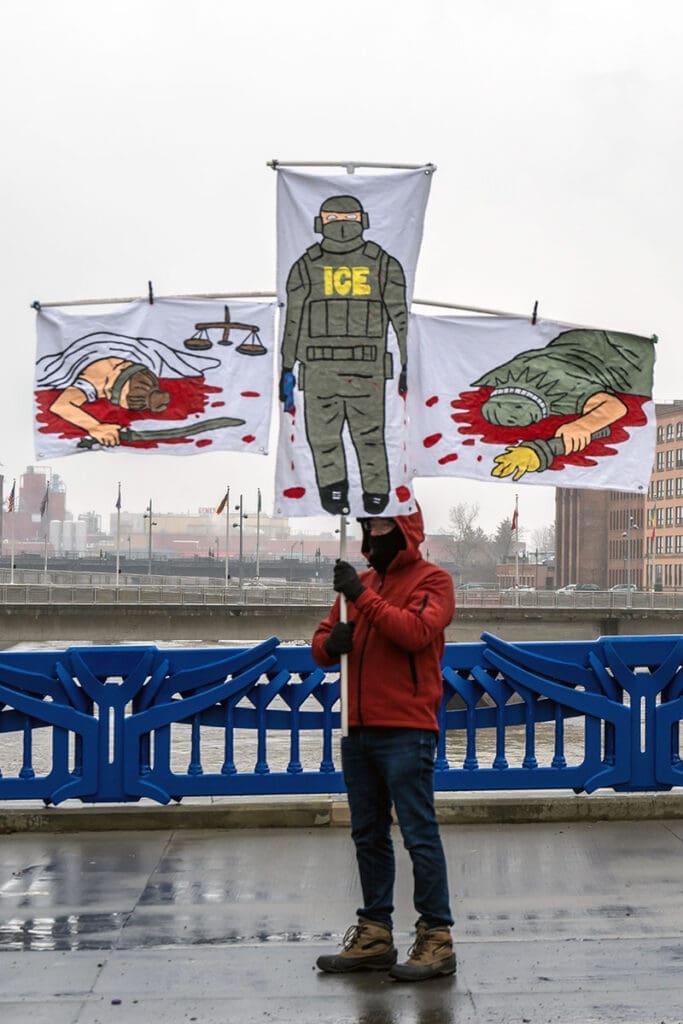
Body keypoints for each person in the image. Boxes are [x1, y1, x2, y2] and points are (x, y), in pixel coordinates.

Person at [311, 505, 456, 982]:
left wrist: (361, 597)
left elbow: (414, 633)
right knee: (368, 834)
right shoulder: (362, 584)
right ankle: (375, 934)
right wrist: (334, 644)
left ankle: (436, 937)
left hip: (407, 728)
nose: (371, 534)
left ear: (405, 530)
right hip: (357, 728)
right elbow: (319, 645)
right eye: (367, 527)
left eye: (380, 526)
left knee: (418, 833)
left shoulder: (434, 582)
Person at [280, 194, 408, 515]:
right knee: (370, 437)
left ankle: (334, 493)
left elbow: (292, 323)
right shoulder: (384, 264)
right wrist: (408, 364)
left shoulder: (305, 267)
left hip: (320, 373)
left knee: (324, 438)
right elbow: (402, 323)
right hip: (369, 374)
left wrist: (286, 368)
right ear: (362, 221)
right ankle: (376, 494)